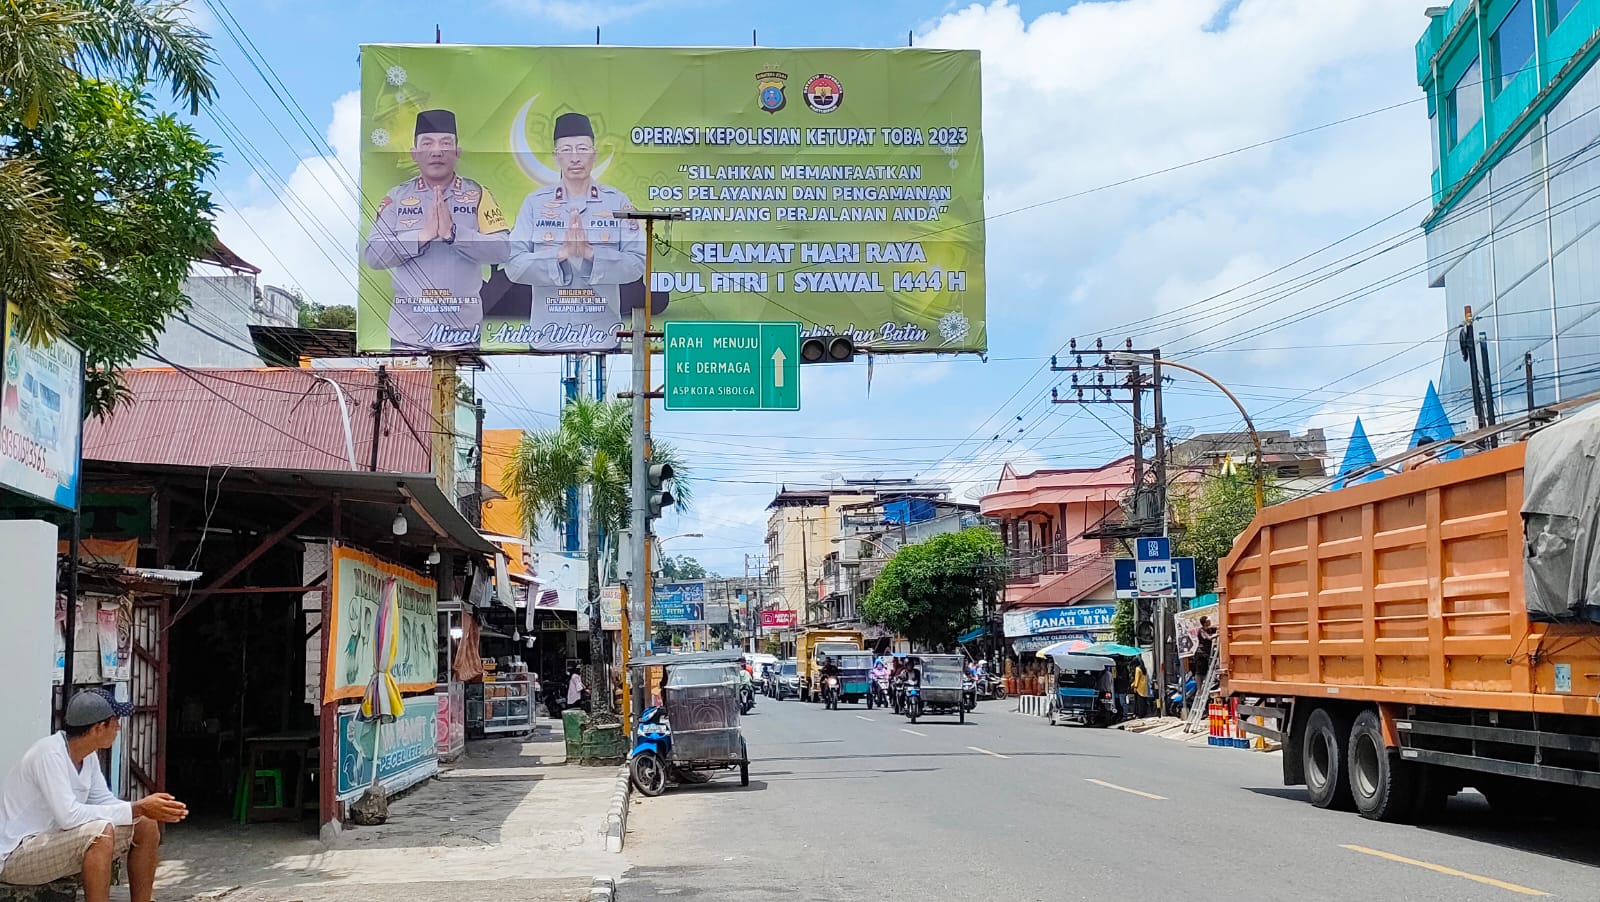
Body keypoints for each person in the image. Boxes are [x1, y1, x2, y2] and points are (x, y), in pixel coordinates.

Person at [0, 689, 188, 902]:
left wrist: (142, 810)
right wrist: (136, 807)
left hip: (52, 844)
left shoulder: (88, 757)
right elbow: (69, 816)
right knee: (100, 833)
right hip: (15, 856)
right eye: (115, 722)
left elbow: (104, 802)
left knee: (145, 824)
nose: (118, 728)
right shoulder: (49, 754)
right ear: (99, 728)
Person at [363, 109, 511, 351]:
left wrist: (454, 234)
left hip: (463, 332)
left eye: (445, 143)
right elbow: (373, 255)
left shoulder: (478, 194)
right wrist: (421, 237)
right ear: (414, 153)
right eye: (427, 143)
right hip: (408, 333)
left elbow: (503, 250)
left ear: (457, 152)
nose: (437, 151)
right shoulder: (397, 197)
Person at [506, 112, 646, 351]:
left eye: (582, 149)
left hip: (601, 336)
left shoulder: (617, 202)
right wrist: (559, 255)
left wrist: (592, 255)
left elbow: (637, 263)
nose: (575, 158)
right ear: (555, 156)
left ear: (594, 154)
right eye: (566, 150)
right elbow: (513, 266)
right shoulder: (535, 203)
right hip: (548, 336)